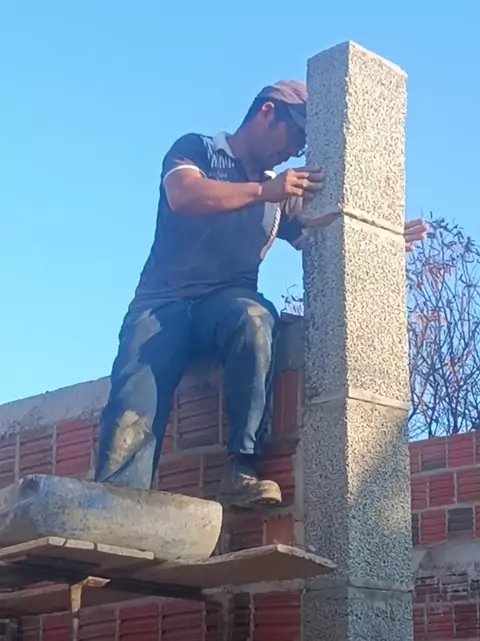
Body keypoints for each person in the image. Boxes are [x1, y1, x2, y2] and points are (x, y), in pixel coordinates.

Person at [94, 80, 426, 508]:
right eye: (296, 133)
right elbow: (183, 194)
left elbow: (323, 234)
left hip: (225, 307)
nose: (295, 149)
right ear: (267, 112)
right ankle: (115, 505)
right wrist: (263, 191)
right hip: (162, 304)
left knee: (254, 319)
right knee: (134, 393)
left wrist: (380, 238)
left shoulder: (280, 197)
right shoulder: (200, 149)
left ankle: (242, 469)